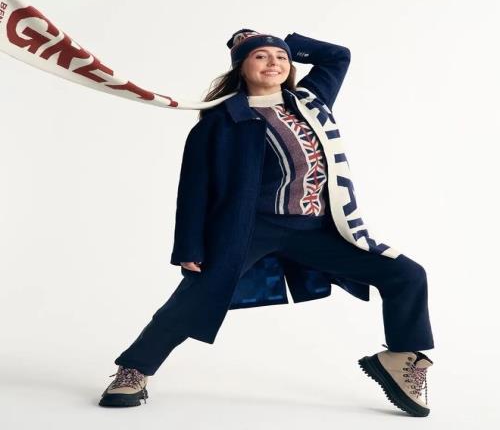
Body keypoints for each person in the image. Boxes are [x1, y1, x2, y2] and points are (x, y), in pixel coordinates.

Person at [98, 29, 435, 417]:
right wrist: (189, 246)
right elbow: (194, 189)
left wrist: (287, 40)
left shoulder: (311, 101)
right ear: (240, 67)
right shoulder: (221, 121)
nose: (273, 62)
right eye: (260, 56)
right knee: (195, 298)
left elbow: (337, 56)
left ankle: (400, 358)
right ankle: (133, 370)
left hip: (316, 230)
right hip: (250, 229)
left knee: (406, 275)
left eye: (281, 57)